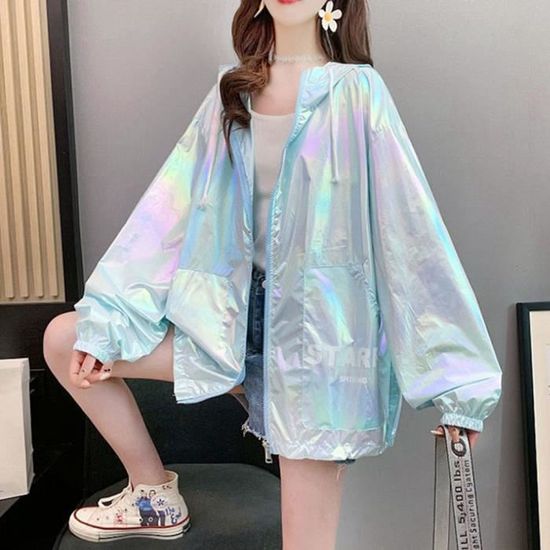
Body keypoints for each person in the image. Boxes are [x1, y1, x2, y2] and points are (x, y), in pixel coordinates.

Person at [43, 0, 502, 548]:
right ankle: (153, 492)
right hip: (227, 330)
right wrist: (110, 318)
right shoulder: (231, 95)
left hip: (315, 348)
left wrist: (459, 386)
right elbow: (167, 213)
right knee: (67, 339)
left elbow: (411, 232)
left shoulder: (358, 93)